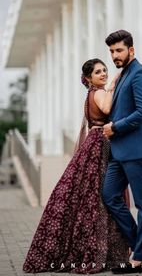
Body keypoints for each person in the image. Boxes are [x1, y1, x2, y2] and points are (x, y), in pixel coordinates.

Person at [23, 58, 129, 274]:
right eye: (98, 72)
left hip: (96, 143)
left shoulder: (92, 93)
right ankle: (98, 248)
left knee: (89, 195)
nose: (103, 73)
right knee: (98, 196)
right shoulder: (99, 92)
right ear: (89, 78)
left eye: (105, 70)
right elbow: (108, 107)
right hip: (100, 145)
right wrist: (112, 86)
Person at [102, 30, 142, 274]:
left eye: (119, 50)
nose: (115, 55)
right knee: (110, 195)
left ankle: (139, 260)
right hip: (118, 152)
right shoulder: (122, 74)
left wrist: (115, 126)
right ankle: (141, 247)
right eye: (112, 51)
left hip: (135, 148)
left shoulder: (140, 73)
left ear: (131, 50)